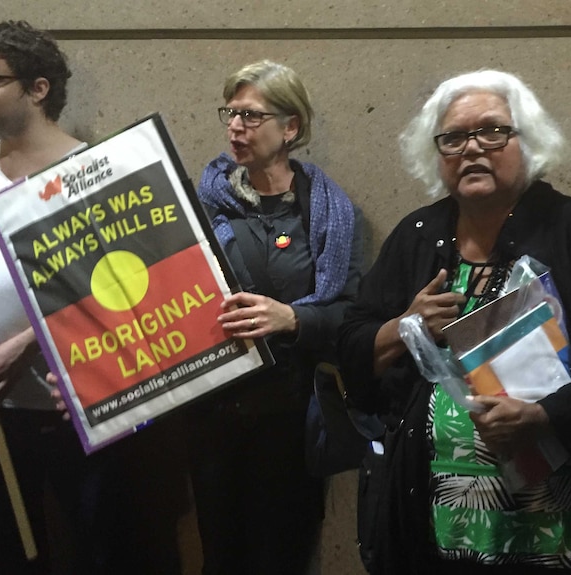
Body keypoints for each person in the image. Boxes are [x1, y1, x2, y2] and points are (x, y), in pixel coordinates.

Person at [338, 69, 571, 575]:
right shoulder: (417, 235)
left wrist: (545, 415)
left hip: (557, 533)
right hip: (432, 527)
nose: (472, 148)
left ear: (527, 141)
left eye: (493, 131)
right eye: (453, 138)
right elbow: (353, 343)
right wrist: (404, 326)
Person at [0, 20, 186, 575]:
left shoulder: (99, 172)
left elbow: (130, 291)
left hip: (91, 409)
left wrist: (33, 338)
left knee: (112, 552)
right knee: (7, 555)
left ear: (38, 89)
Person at [189, 58, 364, 575]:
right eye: (231, 113)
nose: (235, 127)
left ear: (291, 128)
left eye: (251, 116)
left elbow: (351, 311)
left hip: (290, 416)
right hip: (213, 414)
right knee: (219, 555)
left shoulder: (326, 208)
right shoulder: (204, 205)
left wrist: (292, 319)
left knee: (281, 555)